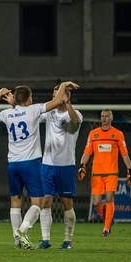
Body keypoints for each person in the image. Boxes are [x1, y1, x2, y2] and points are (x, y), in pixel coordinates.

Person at [0, 81, 78, 249]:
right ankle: (22, 231)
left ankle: (17, 242)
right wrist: (64, 84)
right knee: (37, 202)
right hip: (30, 163)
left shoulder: (8, 114)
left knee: (15, 202)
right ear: (29, 98)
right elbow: (56, 102)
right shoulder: (34, 109)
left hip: (12, 164)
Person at [78, 109, 131, 238]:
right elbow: (87, 152)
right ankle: (108, 219)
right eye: (102, 116)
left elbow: (124, 154)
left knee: (109, 198)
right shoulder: (93, 134)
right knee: (96, 202)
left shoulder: (118, 134)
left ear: (111, 118)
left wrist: (130, 170)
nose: (104, 118)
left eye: (107, 116)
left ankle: (106, 228)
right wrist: (82, 166)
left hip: (111, 172)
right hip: (97, 173)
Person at [38, 85, 82, 249]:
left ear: (66, 97)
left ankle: (68, 240)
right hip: (47, 164)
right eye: (53, 95)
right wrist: (16, 105)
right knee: (46, 201)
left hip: (66, 165)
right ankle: (45, 240)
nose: (54, 98)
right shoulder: (49, 113)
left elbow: (76, 122)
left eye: (57, 95)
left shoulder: (75, 114)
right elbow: (31, 115)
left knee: (66, 203)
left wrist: (68, 104)